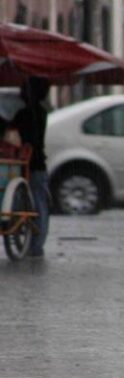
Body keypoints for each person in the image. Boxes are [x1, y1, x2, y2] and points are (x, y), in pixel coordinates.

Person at [9, 77, 51, 258]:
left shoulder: (26, 115)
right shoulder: (41, 113)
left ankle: (35, 243)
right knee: (39, 203)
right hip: (37, 164)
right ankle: (36, 243)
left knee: (36, 203)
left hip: (30, 164)